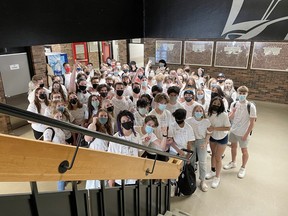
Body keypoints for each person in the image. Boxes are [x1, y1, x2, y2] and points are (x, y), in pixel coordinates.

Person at [223, 86, 257, 178]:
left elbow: (252, 123)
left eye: (244, 94)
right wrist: (232, 113)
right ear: (237, 93)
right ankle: (233, 162)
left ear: (247, 94)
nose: (242, 95)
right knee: (233, 147)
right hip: (234, 130)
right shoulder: (234, 104)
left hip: (243, 132)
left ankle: (243, 167)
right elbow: (229, 117)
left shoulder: (250, 106)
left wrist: (246, 134)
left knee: (244, 150)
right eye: (240, 93)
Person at [108, 110, 142, 186]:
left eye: (128, 120)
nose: (126, 122)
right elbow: (112, 160)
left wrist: (139, 172)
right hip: (119, 177)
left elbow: (139, 155)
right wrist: (111, 179)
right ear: (120, 124)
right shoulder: (115, 138)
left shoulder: (137, 136)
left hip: (133, 176)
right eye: (123, 121)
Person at [205, 97, 231, 189]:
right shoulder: (208, 114)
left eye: (218, 104)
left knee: (218, 157)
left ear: (221, 106)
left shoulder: (224, 115)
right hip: (213, 137)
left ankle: (217, 176)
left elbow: (228, 128)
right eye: (214, 103)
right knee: (213, 155)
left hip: (222, 137)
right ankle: (212, 170)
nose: (216, 105)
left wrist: (215, 128)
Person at [85, 108, 114, 189]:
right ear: (97, 116)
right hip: (95, 157)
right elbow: (87, 138)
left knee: (103, 182)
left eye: (105, 116)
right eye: (101, 116)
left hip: (105, 158)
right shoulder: (93, 126)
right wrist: (94, 122)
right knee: (94, 182)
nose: (103, 117)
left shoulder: (108, 129)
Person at [186, 105, 212, 192]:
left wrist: (205, 143)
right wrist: (188, 142)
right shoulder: (189, 120)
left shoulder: (206, 121)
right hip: (192, 141)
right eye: (197, 110)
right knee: (191, 161)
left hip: (202, 141)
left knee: (203, 161)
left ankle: (202, 181)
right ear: (193, 112)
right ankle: (192, 179)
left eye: (200, 111)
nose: (198, 112)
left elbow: (209, 133)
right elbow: (186, 131)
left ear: (203, 112)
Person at [43, 110, 67, 190]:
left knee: (63, 174)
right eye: (57, 117)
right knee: (61, 177)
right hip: (57, 156)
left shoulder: (59, 128)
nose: (59, 119)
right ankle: (61, 192)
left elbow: (62, 140)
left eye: (60, 117)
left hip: (63, 154)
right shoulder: (49, 130)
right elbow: (47, 146)